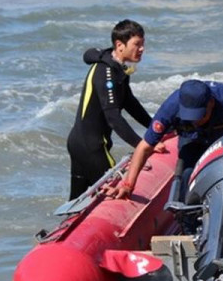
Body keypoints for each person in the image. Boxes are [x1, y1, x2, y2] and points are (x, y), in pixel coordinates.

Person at [65, 19, 163, 200]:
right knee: (113, 195)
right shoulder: (106, 72)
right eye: (137, 44)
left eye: (143, 44)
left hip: (81, 142)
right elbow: (113, 118)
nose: (142, 49)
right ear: (120, 45)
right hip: (91, 146)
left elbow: (130, 103)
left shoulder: (117, 68)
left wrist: (156, 129)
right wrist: (143, 145)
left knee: (78, 201)